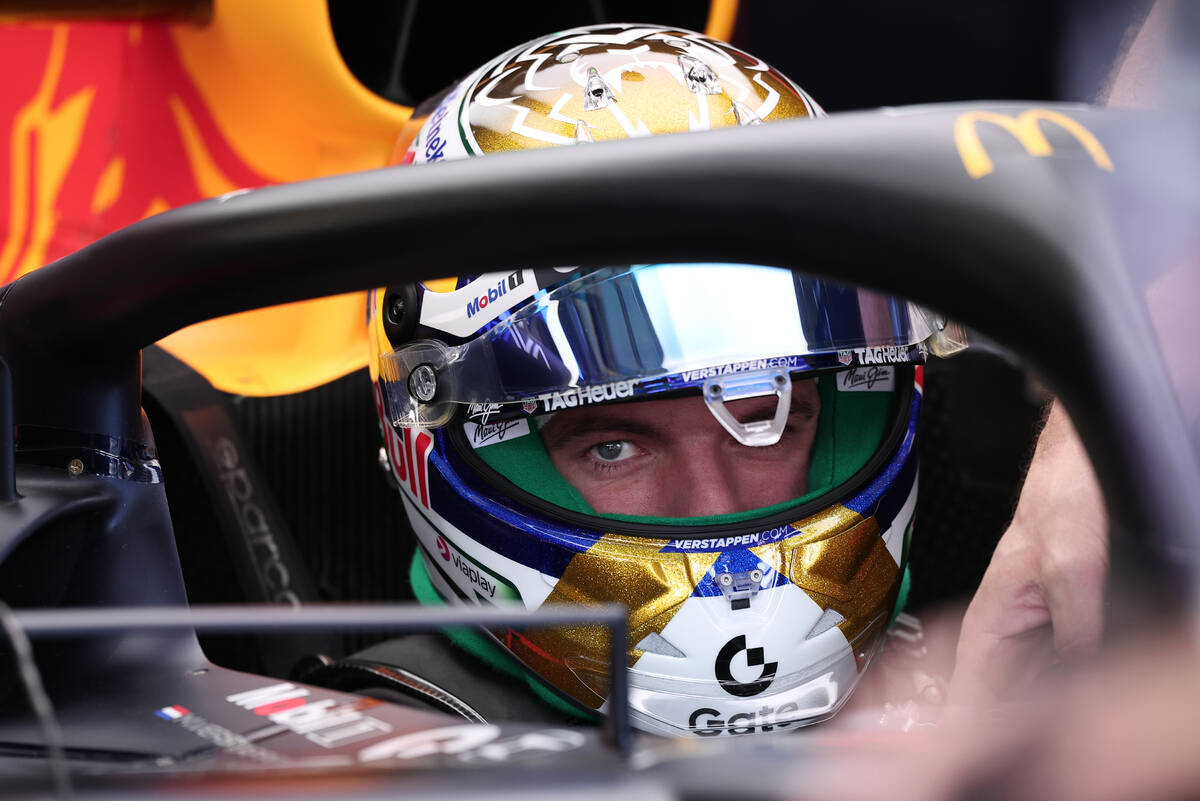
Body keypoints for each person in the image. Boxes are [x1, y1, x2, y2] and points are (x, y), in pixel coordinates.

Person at [303, 23, 966, 737]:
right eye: (613, 446)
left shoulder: (1024, 682)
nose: (713, 507)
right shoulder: (367, 754)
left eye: (762, 413)